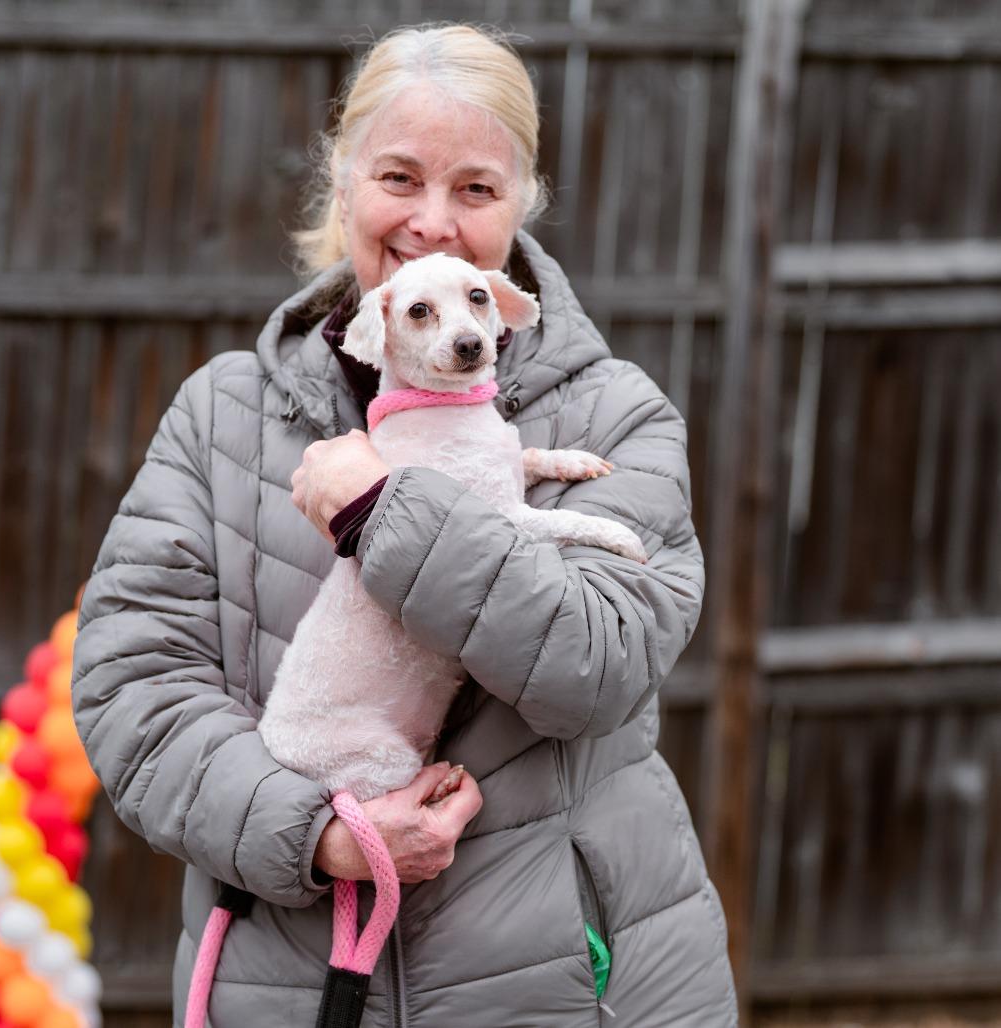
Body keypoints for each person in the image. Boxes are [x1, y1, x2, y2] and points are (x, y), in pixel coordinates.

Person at [72, 23, 738, 1028]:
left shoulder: (612, 415)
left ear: (521, 204)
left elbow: (601, 659)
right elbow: (134, 685)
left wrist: (388, 511)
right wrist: (315, 832)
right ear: (339, 184)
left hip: (568, 986)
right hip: (289, 988)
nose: (432, 222)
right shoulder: (223, 414)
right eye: (397, 177)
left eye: (475, 188)